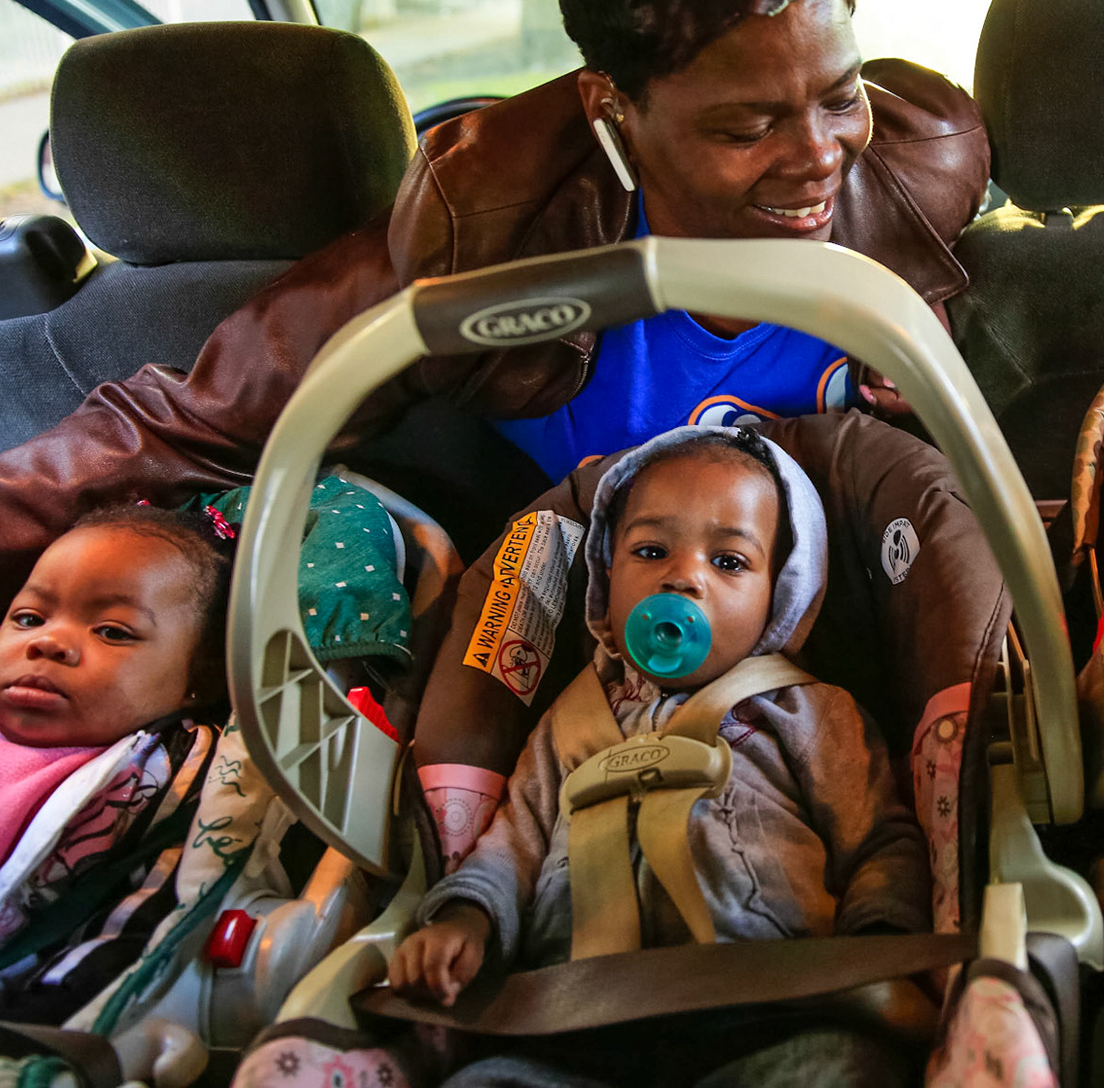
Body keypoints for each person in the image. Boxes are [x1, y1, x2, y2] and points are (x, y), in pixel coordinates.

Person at [0, 0, 986, 697]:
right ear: (615, 105)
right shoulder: (485, 224)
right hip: (543, 675)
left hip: (844, 672)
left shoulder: (920, 161)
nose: (818, 156)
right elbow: (186, 417)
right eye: (745, 127)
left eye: (838, 96)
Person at [390, 426, 929, 1082]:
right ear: (606, 577)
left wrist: (877, 949)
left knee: (845, 1068)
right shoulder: (565, 724)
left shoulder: (808, 710)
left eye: (728, 561)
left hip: (766, 1008)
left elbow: (877, 842)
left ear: (781, 592)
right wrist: (466, 919)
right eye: (651, 550)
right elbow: (511, 850)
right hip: (569, 1020)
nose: (684, 577)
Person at [0, 507, 228, 1005]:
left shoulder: (161, 765)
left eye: (112, 631)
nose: (48, 642)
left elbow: (141, 913)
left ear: (200, 679)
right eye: (28, 618)